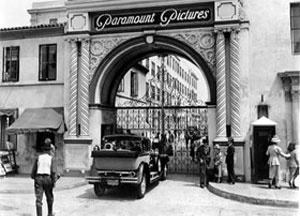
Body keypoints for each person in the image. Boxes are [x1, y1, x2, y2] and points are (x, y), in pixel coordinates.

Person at [31, 138, 58, 216]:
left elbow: (34, 169)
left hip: (39, 178)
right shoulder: (51, 158)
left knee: (38, 199)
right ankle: (49, 214)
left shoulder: (38, 157)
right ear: (49, 150)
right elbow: (53, 171)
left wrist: (33, 176)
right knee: (49, 197)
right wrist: (54, 181)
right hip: (47, 178)